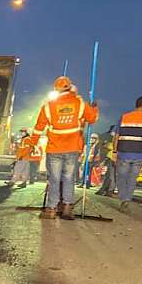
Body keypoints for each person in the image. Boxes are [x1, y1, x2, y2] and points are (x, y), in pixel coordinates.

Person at [30, 76, 98, 220]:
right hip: (73, 147)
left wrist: (32, 143)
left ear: (56, 89)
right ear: (69, 87)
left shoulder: (48, 105)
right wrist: (94, 108)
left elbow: (38, 127)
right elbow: (92, 119)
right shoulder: (79, 102)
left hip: (54, 147)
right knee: (69, 178)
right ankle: (67, 208)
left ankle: (51, 209)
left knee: (54, 179)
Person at [113, 96, 142, 212]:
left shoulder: (124, 117)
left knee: (122, 177)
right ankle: (127, 199)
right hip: (140, 154)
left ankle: (123, 198)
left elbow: (116, 136)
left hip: (123, 152)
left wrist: (114, 151)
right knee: (133, 178)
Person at [96, 126, 117, 197]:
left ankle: (107, 190)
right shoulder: (112, 139)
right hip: (112, 159)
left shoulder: (112, 139)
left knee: (110, 176)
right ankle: (107, 190)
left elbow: (106, 145)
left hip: (113, 158)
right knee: (110, 176)